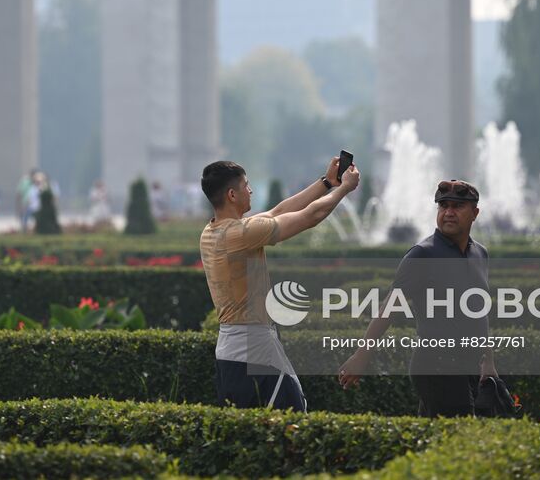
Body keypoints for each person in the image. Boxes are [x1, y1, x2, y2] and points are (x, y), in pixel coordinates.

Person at [200, 154, 360, 412]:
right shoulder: (238, 234)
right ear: (232, 195)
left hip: (235, 347)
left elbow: (278, 211)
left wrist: (326, 183)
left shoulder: (215, 230)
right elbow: (310, 217)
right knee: (293, 420)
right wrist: (344, 189)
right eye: (246, 186)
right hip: (252, 347)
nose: (250, 191)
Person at [338, 179, 499, 417]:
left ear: (475, 213)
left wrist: (488, 361)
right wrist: (361, 356)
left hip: (470, 366)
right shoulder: (423, 254)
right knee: (461, 436)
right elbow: (389, 309)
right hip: (436, 365)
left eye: (457, 206)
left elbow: (479, 312)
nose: (449, 213)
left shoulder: (480, 253)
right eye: (443, 206)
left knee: (436, 441)